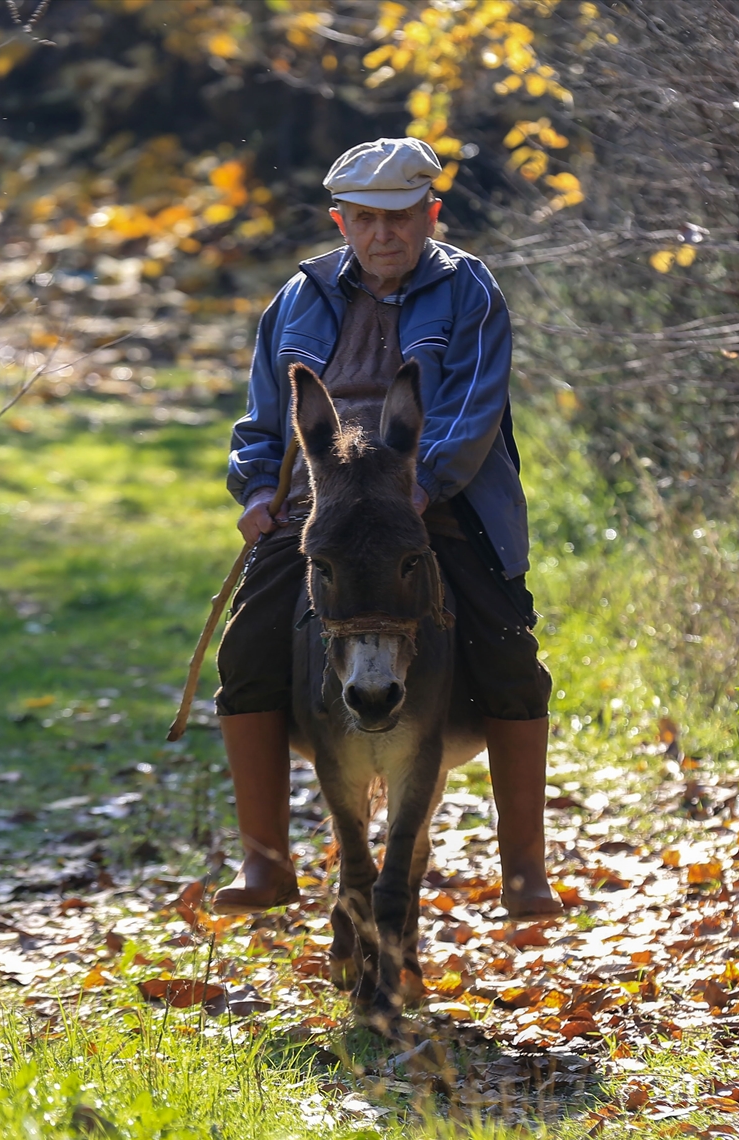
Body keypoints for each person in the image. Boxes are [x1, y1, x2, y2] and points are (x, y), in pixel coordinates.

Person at [212, 137, 561, 918]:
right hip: (322, 507)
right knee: (246, 654)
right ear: (341, 221)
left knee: (509, 655)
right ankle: (266, 863)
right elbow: (262, 420)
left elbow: (474, 409)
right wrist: (254, 492)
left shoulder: (469, 291)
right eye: (365, 219)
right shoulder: (297, 298)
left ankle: (524, 871)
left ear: (430, 214)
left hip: (434, 501)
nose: (383, 236)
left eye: (400, 218)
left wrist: (424, 484)